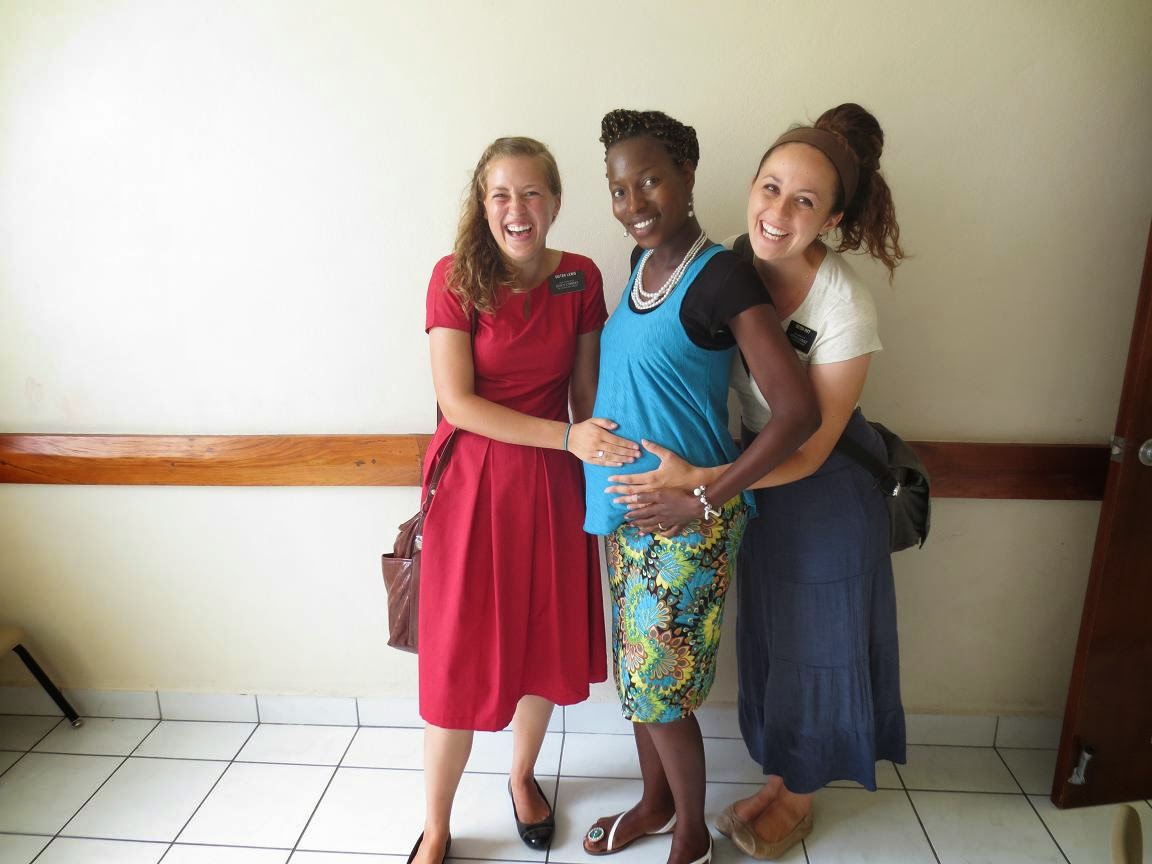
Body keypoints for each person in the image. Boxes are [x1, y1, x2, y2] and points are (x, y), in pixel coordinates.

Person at [609, 103, 908, 859]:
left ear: (831, 217)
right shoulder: (731, 265)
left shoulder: (843, 302)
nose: (778, 213)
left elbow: (811, 439)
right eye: (770, 188)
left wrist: (705, 486)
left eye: (804, 201)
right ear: (750, 186)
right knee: (772, 639)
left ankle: (797, 798)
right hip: (751, 478)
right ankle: (779, 778)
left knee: (821, 645)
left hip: (827, 488)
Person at [580, 110, 820, 864]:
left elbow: (799, 410)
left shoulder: (721, 275)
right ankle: (655, 805)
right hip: (626, 516)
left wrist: (705, 498)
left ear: (687, 174)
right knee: (638, 680)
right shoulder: (638, 262)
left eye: (649, 180)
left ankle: (689, 834)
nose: (633, 202)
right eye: (619, 189)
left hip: (687, 522)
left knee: (659, 689)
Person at [412, 136, 641, 864]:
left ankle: (521, 776)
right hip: (473, 483)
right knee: (458, 654)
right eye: (501, 194)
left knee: (541, 639)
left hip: (551, 483)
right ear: (483, 205)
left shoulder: (580, 276)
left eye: (532, 193)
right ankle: (438, 826)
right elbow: (457, 403)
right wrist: (568, 438)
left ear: (556, 201)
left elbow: (587, 393)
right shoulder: (453, 277)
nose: (517, 208)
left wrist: (623, 458)